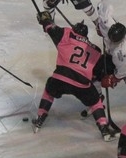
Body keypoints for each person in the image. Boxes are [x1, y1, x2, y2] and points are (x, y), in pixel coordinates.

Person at [31, 11, 117, 141]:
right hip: (81, 83)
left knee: (49, 90)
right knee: (95, 102)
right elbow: (99, 73)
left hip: (61, 78)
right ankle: (104, 128)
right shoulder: (95, 50)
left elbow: (50, 27)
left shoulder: (66, 33)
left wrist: (44, 19)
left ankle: (40, 118)